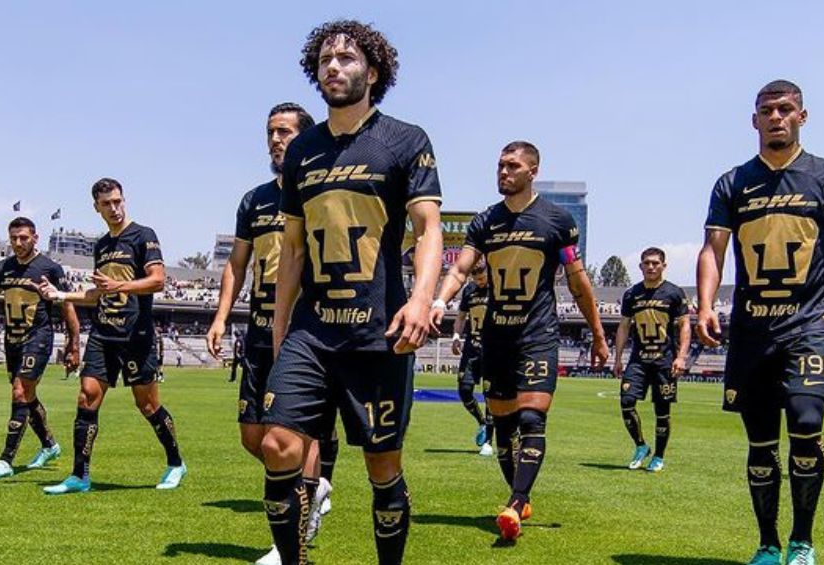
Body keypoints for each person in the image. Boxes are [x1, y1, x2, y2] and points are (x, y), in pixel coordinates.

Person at [260, 20, 443, 565]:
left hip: (378, 333)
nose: (334, 68)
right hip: (313, 332)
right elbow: (292, 248)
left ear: (374, 69)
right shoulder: (303, 151)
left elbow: (428, 229)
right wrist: (278, 324)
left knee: (382, 468)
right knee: (278, 446)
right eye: (325, 61)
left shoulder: (406, 140)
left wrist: (420, 299)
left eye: (346, 58)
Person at [696, 80, 824, 565]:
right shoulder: (732, 183)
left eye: (786, 109)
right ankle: (768, 543)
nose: (776, 117)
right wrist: (707, 304)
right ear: (754, 121)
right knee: (760, 441)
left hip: (809, 323)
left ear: (802, 116)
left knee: (808, 421)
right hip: (752, 331)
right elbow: (712, 248)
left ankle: (802, 541)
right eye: (767, 110)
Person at [431, 140, 609, 541]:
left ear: (533, 171)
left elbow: (578, 282)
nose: (503, 172)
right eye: (499, 165)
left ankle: (515, 503)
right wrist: (440, 300)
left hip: (538, 334)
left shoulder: (557, 221)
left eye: (512, 166)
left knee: (531, 418)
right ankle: (519, 496)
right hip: (497, 337)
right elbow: (461, 270)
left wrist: (598, 334)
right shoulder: (484, 222)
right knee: (504, 425)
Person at [205, 101, 337, 565]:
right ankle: (312, 486)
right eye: (270, 133)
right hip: (260, 333)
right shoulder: (255, 199)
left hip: (304, 334)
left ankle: (290, 543)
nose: (276, 140)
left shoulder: (322, 191)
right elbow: (236, 265)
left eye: (284, 132)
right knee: (253, 438)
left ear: (303, 137)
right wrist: (222, 317)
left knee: (287, 438)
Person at [38, 178, 186, 495]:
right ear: (97, 207)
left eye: (118, 201)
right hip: (104, 334)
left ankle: (176, 463)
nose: (115, 208)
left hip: (137, 334)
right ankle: (80, 475)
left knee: (147, 405)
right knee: (86, 396)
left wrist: (119, 286)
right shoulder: (102, 245)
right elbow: (97, 295)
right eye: (107, 204)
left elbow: (158, 281)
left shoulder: (143, 236)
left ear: (124, 200)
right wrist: (61, 295)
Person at [0, 217, 81, 479]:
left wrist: (73, 344)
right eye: (14, 239)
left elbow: (67, 307)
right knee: (27, 397)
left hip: (38, 337)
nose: (18, 243)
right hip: (13, 341)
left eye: (23, 238)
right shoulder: (3, 268)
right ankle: (49, 445)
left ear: (35, 238)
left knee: (20, 392)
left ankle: (6, 460)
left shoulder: (50, 268)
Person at [613, 247, 690, 472]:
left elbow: (685, 325)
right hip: (638, 359)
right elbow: (624, 326)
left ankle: (658, 455)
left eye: (655, 263)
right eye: (646, 263)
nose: (651, 267)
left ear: (664, 266)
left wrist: (682, 356)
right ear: (640, 266)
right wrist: (618, 358)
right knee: (626, 402)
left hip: (664, 360)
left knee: (662, 410)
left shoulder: (674, 293)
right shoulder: (631, 294)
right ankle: (641, 445)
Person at [451, 261, 494, 456]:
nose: (480, 282)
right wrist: (456, 336)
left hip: (493, 347)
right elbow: (461, 317)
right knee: (464, 389)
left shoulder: (496, 289)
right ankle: (482, 422)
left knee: (489, 394)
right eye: (477, 279)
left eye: (483, 278)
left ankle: (488, 441)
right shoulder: (469, 291)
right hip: (471, 347)